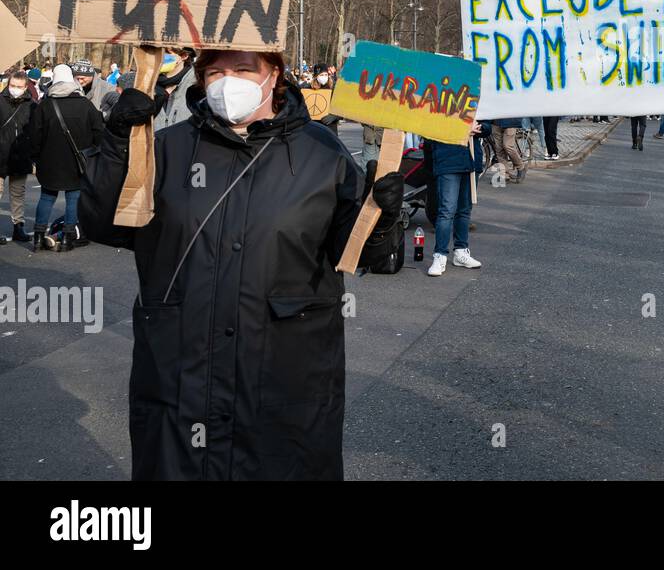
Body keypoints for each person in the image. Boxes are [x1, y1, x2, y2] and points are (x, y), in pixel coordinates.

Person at [79, 47, 405, 479]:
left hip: (285, 381)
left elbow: (365, 255)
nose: (227, 81)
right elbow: (103, 223)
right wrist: (118, 142)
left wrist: (381, 217)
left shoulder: (321, 152)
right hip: (183, 381)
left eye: (243, 69)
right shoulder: (167, 148)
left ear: (274, 74)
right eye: (214, 71)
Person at [28, 64, 104, 251]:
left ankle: (38, 237)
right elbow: (99, 132)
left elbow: (34, 135)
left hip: (50, 160)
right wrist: (93, 151)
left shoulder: (45, 105)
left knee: (46, 197)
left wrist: (36, 158)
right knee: (73, 198)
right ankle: (69, 238)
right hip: (77, 161)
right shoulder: (85, 104)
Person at [423, 125, 485, 276]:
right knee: (447, 210)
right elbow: (428, 132)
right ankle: (440, 255)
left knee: (464, 210)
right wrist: (460, 130)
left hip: (471, 160)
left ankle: (461, 251)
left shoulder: (475, 103)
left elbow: (488, 126)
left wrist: (480, 127)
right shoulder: (440, 103)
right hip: (448, 161)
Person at [0, 69, 36, 244]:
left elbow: (35, 132)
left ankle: (18, 226)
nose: (15, 89)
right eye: (13, 85)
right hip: (0, 155)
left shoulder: (32, 105)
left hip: (21, 156)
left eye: (19, 86)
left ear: (26, 86)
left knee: (18, 194)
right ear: (8, 84)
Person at [154, 47, 198, 131]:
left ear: (184, 56)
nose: (160, 56)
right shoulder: (145, 83)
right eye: (158, 51)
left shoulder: (198, 86)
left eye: (166, 52)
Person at [491, 116, 527, 181]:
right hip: (495, 121)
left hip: (510, 121)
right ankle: (504, 174)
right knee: (499, 149)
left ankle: (521, 166)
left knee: (508, 146)